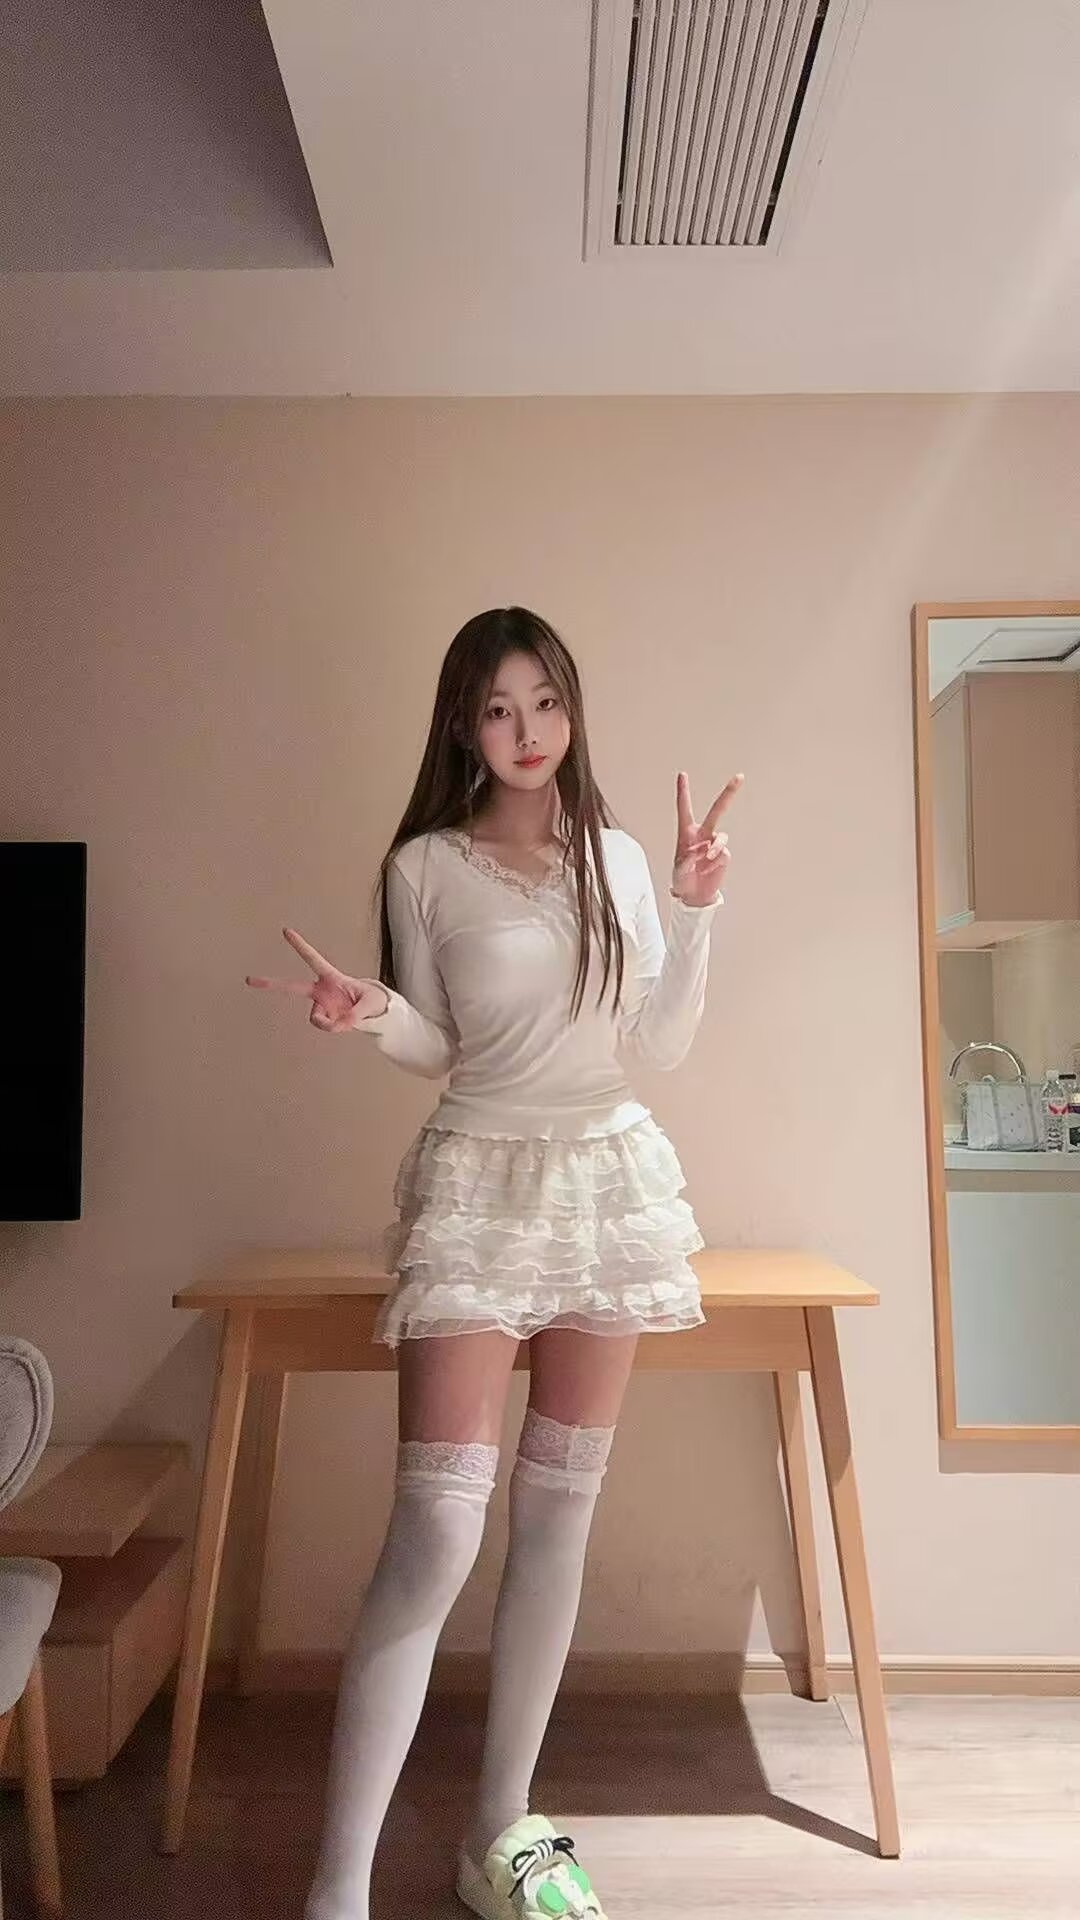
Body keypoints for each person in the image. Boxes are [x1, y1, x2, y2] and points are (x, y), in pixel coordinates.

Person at [245, 606, 742, 1920]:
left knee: (558, 1514)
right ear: (465, 727)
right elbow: (438, 1045)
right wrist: (372, 1013)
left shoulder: (620, 857)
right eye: (499, 709)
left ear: (572, 711)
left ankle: (498, 1833)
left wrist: (697, 909)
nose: (527, 731)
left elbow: (659, 1044)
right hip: (479, 1181)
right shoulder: (423, 866)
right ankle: (339, 1889)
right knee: (435, 1530)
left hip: (606, 1180)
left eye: (546, 703)